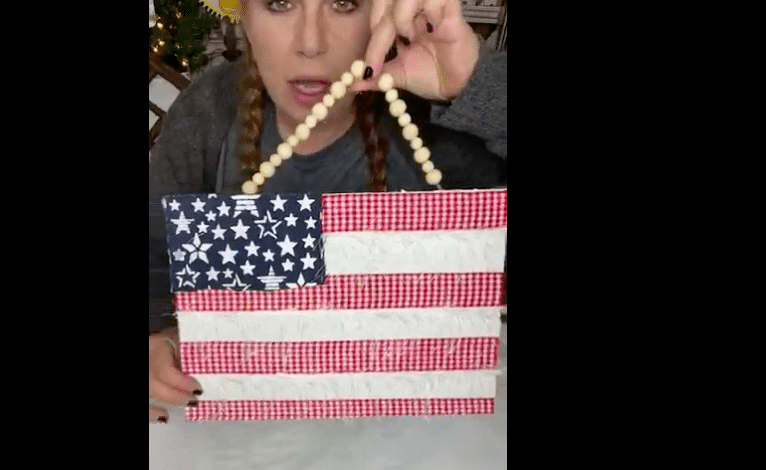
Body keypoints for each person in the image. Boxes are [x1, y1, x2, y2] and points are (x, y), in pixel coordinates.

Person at [149, 0, 507, 423]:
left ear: (382, 15)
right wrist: (160, 334)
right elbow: (156, 260)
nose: (311, 42)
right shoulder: (209, 111)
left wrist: (477, 86)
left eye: (343, 3)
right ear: (244, 14)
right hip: (248, 439)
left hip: (418, 434)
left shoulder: (440, 119)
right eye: (279, 3)